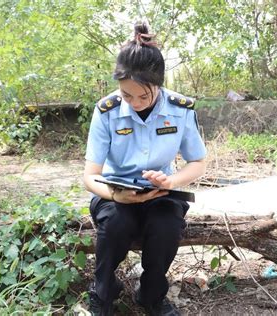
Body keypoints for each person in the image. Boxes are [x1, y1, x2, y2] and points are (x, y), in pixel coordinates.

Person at [83, 22, 207, 316]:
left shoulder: (181, 109)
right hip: (116, 192)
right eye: (127, 95)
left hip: (161, 193)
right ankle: (103, 292)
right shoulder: (106, 111)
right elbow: (90, 177)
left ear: (159, 85)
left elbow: (198, 162)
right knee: (115, 223)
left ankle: (151, 295)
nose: (135, 103)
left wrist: (171, 179)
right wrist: (117, 196)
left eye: (144, 96)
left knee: (166, 226)